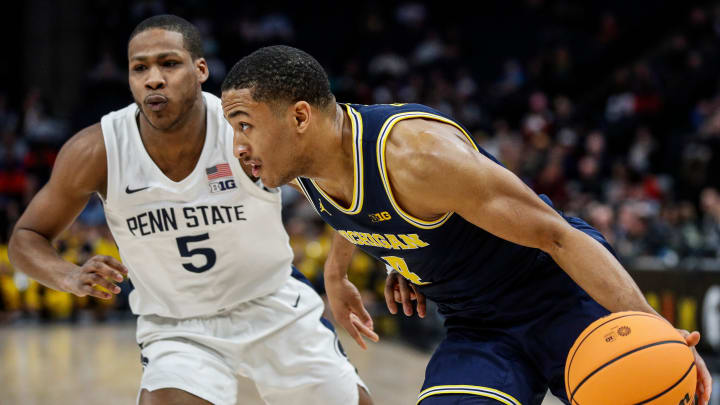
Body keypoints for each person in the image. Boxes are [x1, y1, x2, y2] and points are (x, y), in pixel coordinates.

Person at [219, 45, 712, 405]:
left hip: (556, 293)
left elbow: (556, 234)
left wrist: (662, 334)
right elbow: (352, 212)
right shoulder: (301, 167)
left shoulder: (417, 157)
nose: (239, 144)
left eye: (245, 124)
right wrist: (340, 273)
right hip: (476, 323)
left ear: (300, 117)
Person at [8, 17, 372, 405]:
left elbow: (343, 186)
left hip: (271, 302)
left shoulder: (243, 130)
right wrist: (69, 276)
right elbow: (26, 238)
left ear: (200, 70)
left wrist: (336, 273)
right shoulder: (98, 151)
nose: (153, 79)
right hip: (178, 325)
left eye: (169, 64)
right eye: (140, 68)